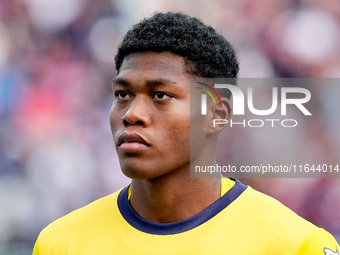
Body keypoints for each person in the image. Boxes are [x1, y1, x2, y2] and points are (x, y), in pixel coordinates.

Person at [33, 12, 339, 254]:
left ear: (217, 114)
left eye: (161, 95)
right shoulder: (60, 243)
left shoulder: (294, 245)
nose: (132, 114)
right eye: (123, 95)